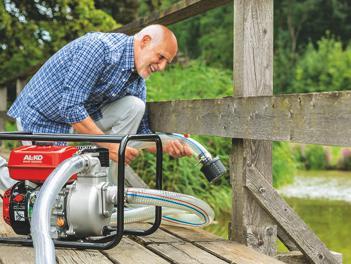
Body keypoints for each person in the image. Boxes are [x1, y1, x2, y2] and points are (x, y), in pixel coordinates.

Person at [7, 24, 192, 164]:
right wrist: (110, 145)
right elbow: (70, 107)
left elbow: (140, 134)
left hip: (80, 122)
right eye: (160, 57)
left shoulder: (138, 81)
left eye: (167, 62)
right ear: (145, 42)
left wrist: (166, 143)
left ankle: (105, 192)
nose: (161, 67)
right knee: (46, 188)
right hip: (43, 118)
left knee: (135, 106)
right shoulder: (100, 48)